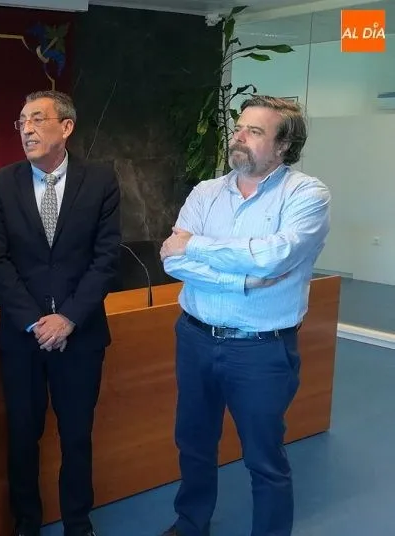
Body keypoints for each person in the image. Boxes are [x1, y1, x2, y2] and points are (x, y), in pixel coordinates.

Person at [159, 95, 330, 536]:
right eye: (239, 127)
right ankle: (191, 522)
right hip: (195, 338)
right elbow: (170, 260)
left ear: (283, 147)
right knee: (194, 442)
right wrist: (241, 279)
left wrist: (196, 246)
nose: (239, 136)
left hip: (261, 350)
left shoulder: (307, 195)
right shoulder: (205, 192)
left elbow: (273, 256)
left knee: (264, 457)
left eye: (254, 131)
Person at [0, 90, 121, 536]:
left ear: (66, 127)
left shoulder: (100, 181)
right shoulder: (4, 183)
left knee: (77, 437)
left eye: (37, 119)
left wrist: (69, 319)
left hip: (79, 336)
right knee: (23, 436)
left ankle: (78, 524)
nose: (26, 128)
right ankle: (26, 524)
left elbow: (105, 259)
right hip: (22, 338)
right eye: (21, 120)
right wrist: (34, 320)